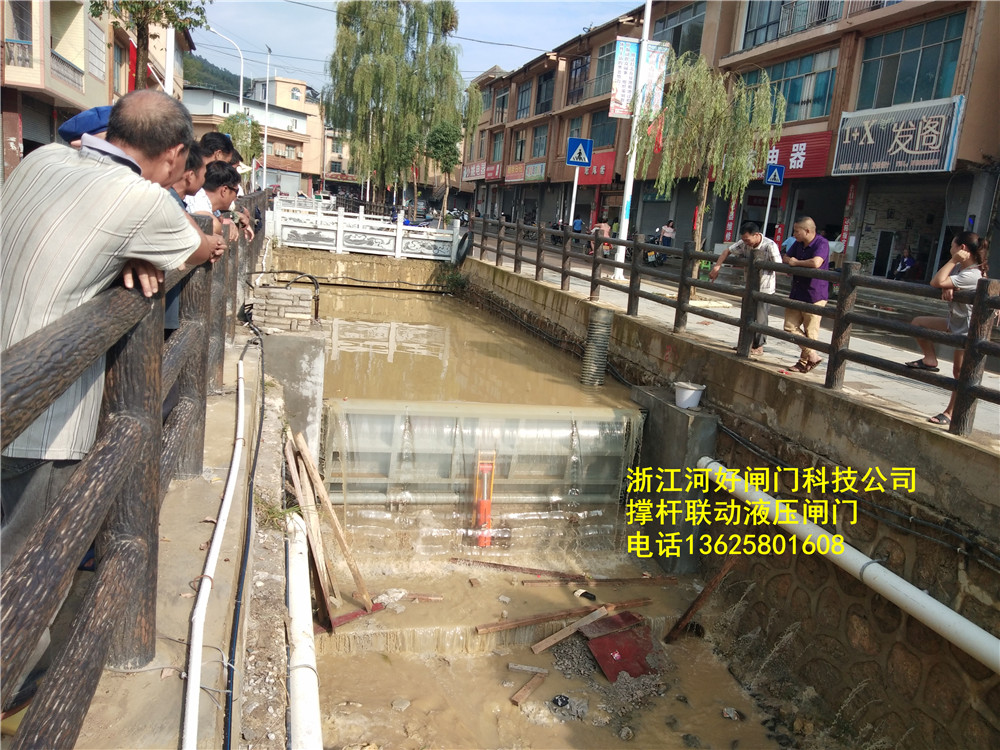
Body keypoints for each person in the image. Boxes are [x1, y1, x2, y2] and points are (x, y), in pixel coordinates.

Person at [1, 89, 223, 703]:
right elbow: (201, 247)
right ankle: (17, 695)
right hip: (40, 421)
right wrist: (153, 241)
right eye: (184, 166)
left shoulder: (44, 160)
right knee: (28, 566)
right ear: (175, 153)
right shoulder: (143, 201)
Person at [904, 233, 990, 426]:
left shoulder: (971, 273)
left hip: (969, 329)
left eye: (952, 246)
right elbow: (942, 281)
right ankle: (930, 359)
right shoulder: (963, 268)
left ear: (962, 249)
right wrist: (948, 285)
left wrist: (950, 268)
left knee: (959, 372)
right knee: (918, 323)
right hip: (955, 321)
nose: (950, 249)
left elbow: (936, 281)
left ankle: (951, 413)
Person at [709, 221, 781, 356]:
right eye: (744, 239)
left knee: (760, 318)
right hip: (749, 286)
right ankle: (744, 343)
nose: (746, 243)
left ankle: (758, 346)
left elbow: (779, 266)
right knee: (746, 315)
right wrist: (717, 266)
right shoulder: (744, 243)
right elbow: (727, 251)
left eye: (748, 239)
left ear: (757, 235)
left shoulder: (769, 245)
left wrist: (761, 265)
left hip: (765, 287)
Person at [781, 216, 830, 373]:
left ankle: (803, 363)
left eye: (797, 231)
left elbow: (816, 263)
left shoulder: (821, 243)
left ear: (807, 231)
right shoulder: (798, 243)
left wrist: (796, 263)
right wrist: (790, 260)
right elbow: (785, 257)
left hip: (814, 293)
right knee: (789, 326)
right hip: (797, 290)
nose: (794, 234)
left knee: (811, 331)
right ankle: (813, 355)